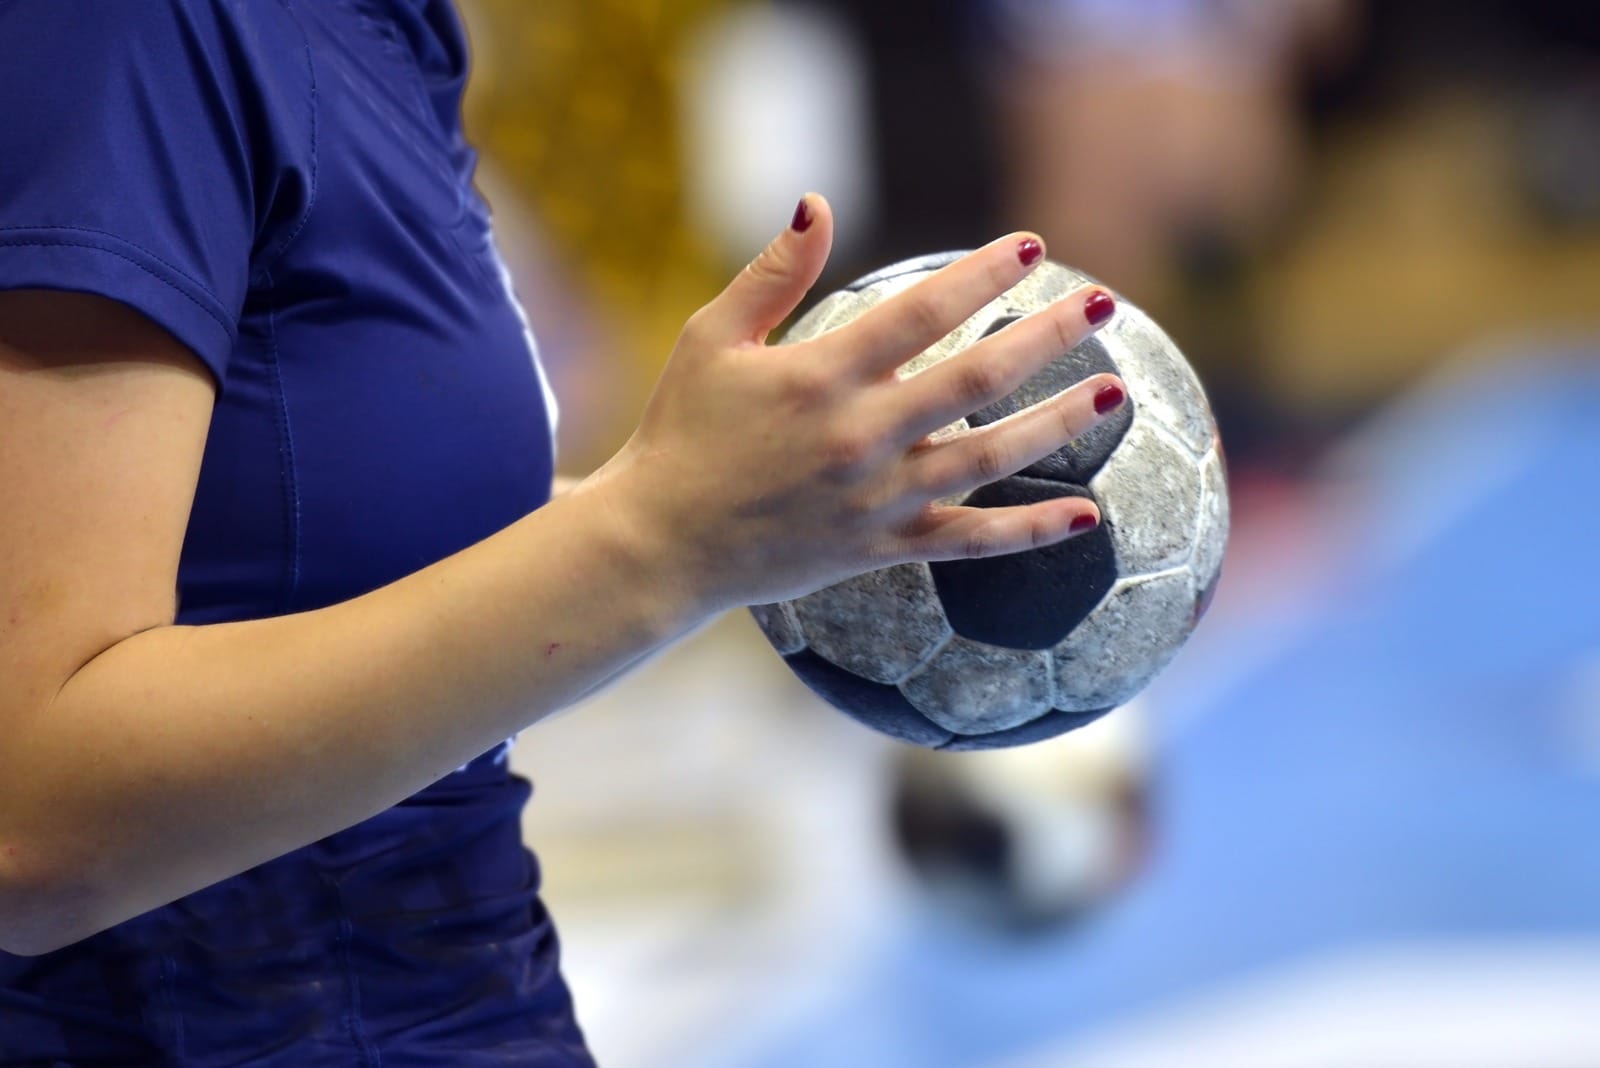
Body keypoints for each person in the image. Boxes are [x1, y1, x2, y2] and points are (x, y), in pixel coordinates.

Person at [0, 1, 1123, 1062]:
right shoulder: (127, 31)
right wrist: (661, 538)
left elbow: (305, 545)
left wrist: (754, 507)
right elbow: (33, 819)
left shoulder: (385, 28)